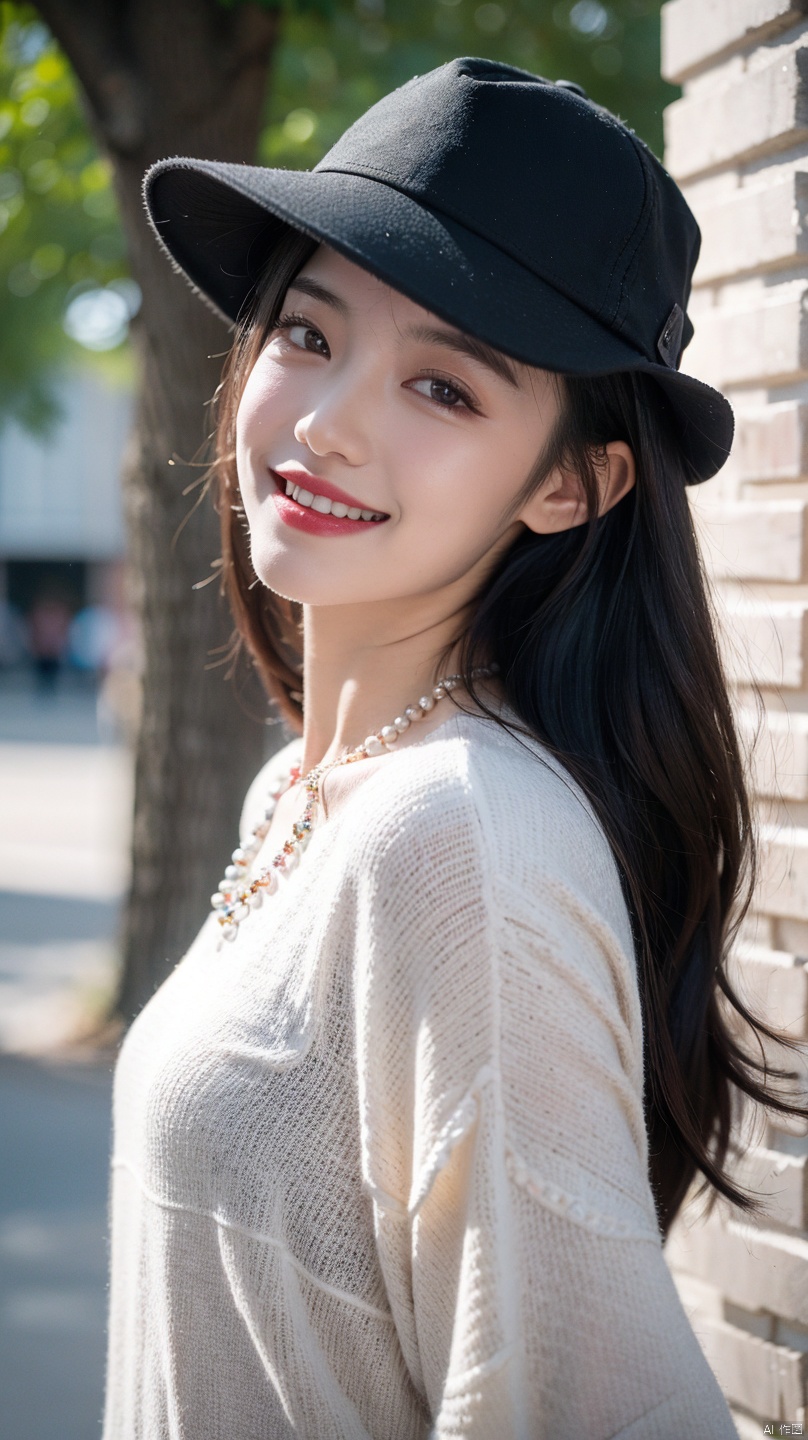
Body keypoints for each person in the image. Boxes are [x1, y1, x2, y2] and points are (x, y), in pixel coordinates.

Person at [102, 59, 808, 1438]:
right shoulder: (307, 791)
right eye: (308, 334)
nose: (327, 420)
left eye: (443, 388)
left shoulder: (466, 843)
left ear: (570, 481)